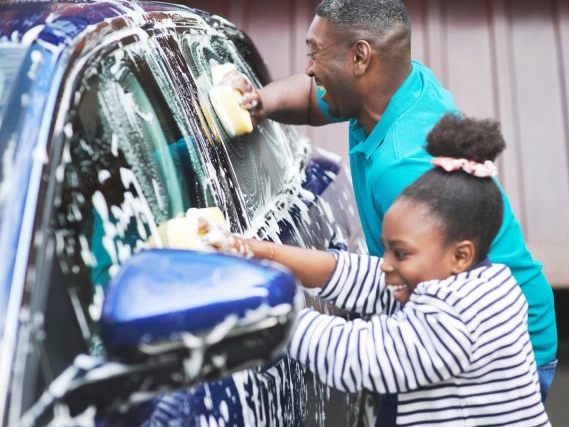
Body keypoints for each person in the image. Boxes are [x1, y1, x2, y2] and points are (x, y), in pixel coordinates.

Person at [228, 0, 558, 401]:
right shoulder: (392, 88)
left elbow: (375, 351)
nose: (309, 68)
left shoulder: (405, 167)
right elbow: (313, 97)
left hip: (492, 354)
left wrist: (266, 311)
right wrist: (261, 101)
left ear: (359, 57)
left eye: (315, 53)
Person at [206, 115, 550, 426]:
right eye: (387, 248)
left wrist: (269, 309)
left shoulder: (453, 316)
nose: (386, 263)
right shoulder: (485, 281)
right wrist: (260, 251)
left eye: (400, 253)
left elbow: (359, 356)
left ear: (460, 255)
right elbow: (354, 275)